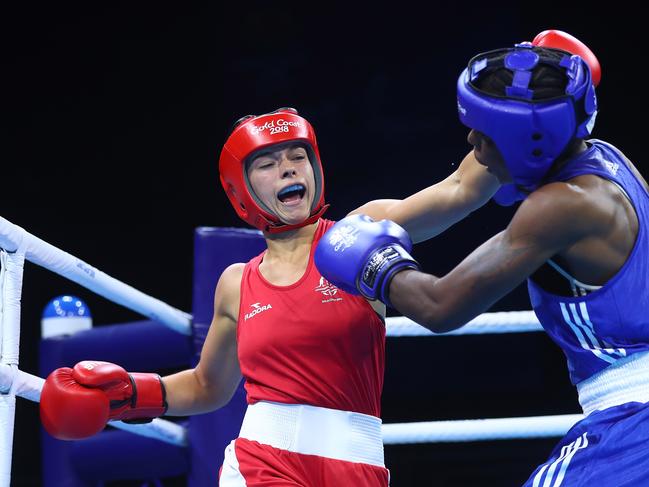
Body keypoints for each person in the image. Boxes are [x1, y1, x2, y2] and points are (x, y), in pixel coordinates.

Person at [314, 30, 649, 486]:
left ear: (526, 141)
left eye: (484, 136)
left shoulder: (561, 205)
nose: (472, 142)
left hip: (633, 417)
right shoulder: (604, 159)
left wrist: (374, 264)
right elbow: (461, 188)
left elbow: (441, 305)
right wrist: (341, 232)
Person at [39, 108, 390, 486]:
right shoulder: (237, 283)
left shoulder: (361, 235)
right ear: (242, 188)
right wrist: (130, 394)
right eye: (267, 164)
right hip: (264, 460)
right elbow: (209, 384)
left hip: (358, 465)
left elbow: (454, 193)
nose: (288, 169)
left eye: (297, 156)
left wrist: (467, 139)